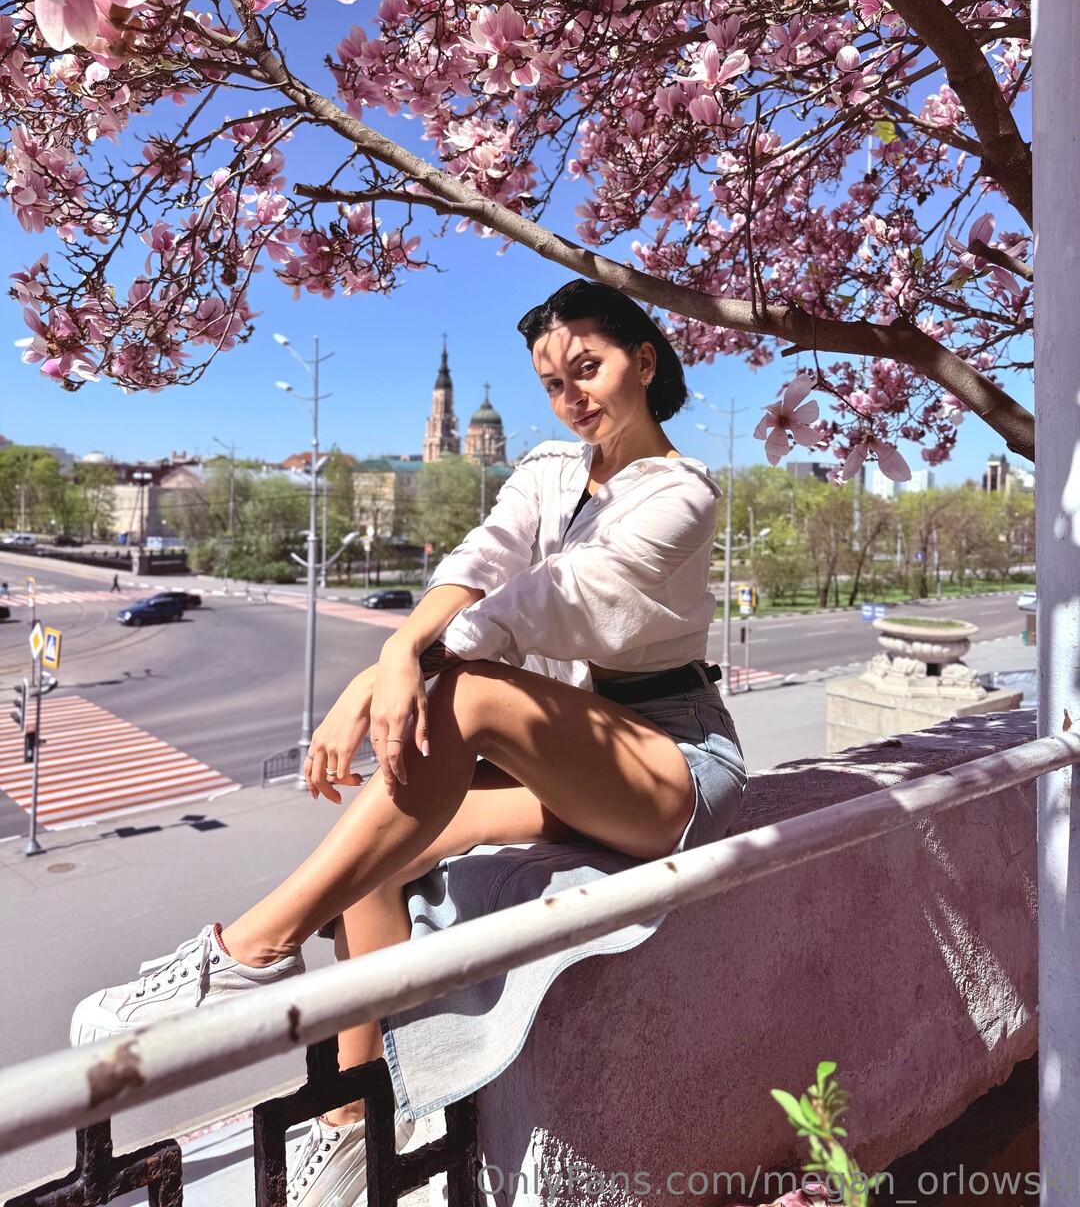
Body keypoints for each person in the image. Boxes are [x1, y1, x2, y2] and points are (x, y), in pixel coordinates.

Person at [69, 278, 747, 1206]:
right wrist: (394, 652)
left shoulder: (680, 494)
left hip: (674, 763)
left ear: (644, 359)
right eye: (553, 382)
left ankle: (248, 952)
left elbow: (541, 605)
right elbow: (483, 559)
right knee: (377, 857)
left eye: (587, 368)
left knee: (467, 694)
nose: (571, 396)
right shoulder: (552, 469)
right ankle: (356, 1124)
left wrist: (388, 673)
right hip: (577, 762)